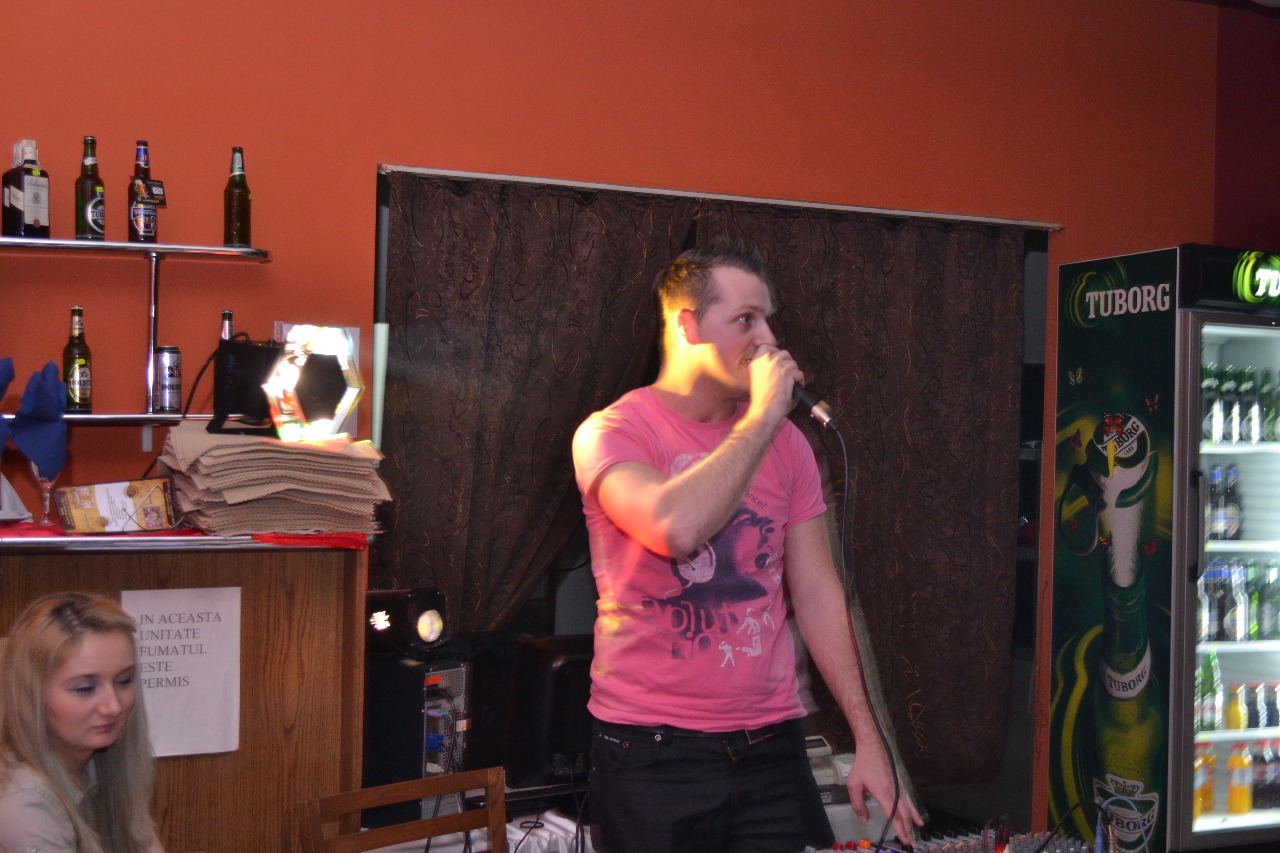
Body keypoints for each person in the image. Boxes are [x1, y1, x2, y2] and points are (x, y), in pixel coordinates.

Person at [572, 242, 923, 852]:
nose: (768, 340)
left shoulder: (788, 445)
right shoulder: (614, 432)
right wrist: (761, 418)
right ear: (687, 326)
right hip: (652, 754)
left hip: (770, 746)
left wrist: (870, 740)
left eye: (768, 320)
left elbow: (819, 596)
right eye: (745, 320)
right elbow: (676, 528)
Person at [0, 592, 165, 853]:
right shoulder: (24, 803)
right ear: (32, 695)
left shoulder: (100, 761)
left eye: (124, 681)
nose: (113, 707)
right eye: (85, 688)